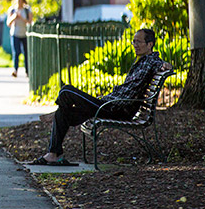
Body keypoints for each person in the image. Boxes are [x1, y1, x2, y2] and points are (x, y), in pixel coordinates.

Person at [30, 28, 172, 166]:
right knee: (63, 112)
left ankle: (55, 119)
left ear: (150, 44)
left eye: (138, 42)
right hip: (109, 103)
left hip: (117, 109)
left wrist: (165, 65)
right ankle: (54, 155)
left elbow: (162, 65)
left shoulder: (152, 61)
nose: (135, 45)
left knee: (67, 91)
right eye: (133, 41)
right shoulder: (141, 61)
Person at [6, 0, 33, 77]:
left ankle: (27, 71)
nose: (19, 2)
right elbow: (8, 23)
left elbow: (30, 22)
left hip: (25, 33)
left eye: (21, 0)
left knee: (26, 52)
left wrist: (22, 18)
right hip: (15, 33)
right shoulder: (12, 9)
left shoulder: (27, 9)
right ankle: (15, 70)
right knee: (16, 52)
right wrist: (14, 17)